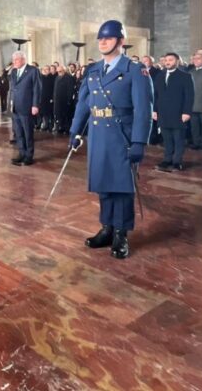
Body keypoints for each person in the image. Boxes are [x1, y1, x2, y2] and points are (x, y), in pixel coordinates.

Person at [69, 20, 152, 260]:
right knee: (103, 184)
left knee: (122, 188)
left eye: (109, 38)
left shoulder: (135, 70)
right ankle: (106, 228)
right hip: (98, 137)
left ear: (121, 41)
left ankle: (120, 233)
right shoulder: (93, 70)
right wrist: (75, 132)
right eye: (101, 38)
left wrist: (139, 142)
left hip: (122, 137)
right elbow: (83, 104)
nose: (103, 42)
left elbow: (143, 110)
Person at [152, 52, 193, 171]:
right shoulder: (159, 76)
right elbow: (155, 95)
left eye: (170, 60)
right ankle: (167, 160)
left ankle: (177, 161)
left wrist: (187, 112)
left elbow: (189, 96)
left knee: (178, 139)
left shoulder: (185, 76)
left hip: (178, 112)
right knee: (167, 139)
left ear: (177, 61)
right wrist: (154, 110)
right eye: (166, 60)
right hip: (163, 113)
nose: (167, 62)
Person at [8, 50, 41, 165]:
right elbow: (12, 89)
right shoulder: (13, 72)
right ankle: (21, 153)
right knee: (19, 133)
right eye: (13, 60)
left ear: (23, 59)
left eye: (16, 60)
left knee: (28, 133)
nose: (14, 62)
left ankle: (29, 156)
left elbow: (37, 88)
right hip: (15, 107)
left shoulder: (33, 70)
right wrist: (10, 104)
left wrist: (35, 105)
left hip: (27, 107)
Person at [187, 52, 202, 150]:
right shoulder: (190, 72)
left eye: (198, 58)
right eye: (194, 59)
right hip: (192, 103)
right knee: (194, 126)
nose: (195, 61)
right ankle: (196, 142)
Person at [53, 65, 75, 134]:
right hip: (58, 100)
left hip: (65, 100)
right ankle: (61, 127)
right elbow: (55, 89)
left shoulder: (69, 78)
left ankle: (67, 129)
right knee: (59, 115)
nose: (59, 73)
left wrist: (69, 100)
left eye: (60, 71)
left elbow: (70, 90)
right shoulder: (57, 78)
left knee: (66, 116)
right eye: (58, 71)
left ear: (64, 71)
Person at [39, 65, 56, 132]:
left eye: (47, 69)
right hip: (42, 98)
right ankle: (45, 125)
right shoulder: (41, 78)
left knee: (50, 113)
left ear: (49, 70)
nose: (45, 71)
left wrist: (52, 98)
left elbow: (54, 89)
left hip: (50, 98)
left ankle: (50, 126)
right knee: (44, 113)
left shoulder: (52, 78)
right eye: (44, 69)